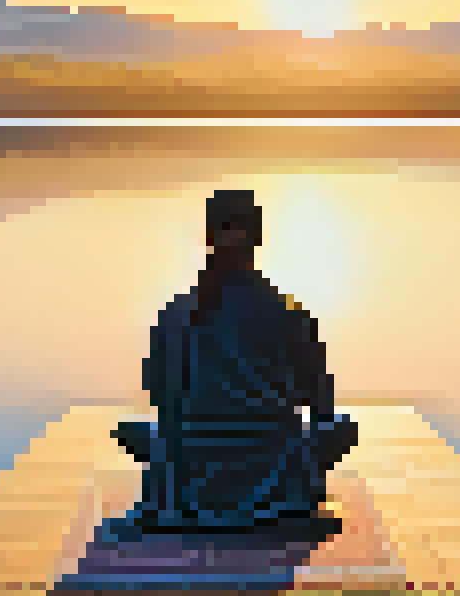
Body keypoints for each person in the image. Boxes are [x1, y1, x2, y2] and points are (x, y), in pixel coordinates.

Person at [109, 189, 358, 537]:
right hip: (274, 467)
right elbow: (321, 406)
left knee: (132, 431)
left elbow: (161, 400)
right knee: (344, 427)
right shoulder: (290, 313)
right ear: (257, 238)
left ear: (208, 238)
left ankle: (188, 499)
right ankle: (280, 500)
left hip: (193, 469)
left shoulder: (174, 315)